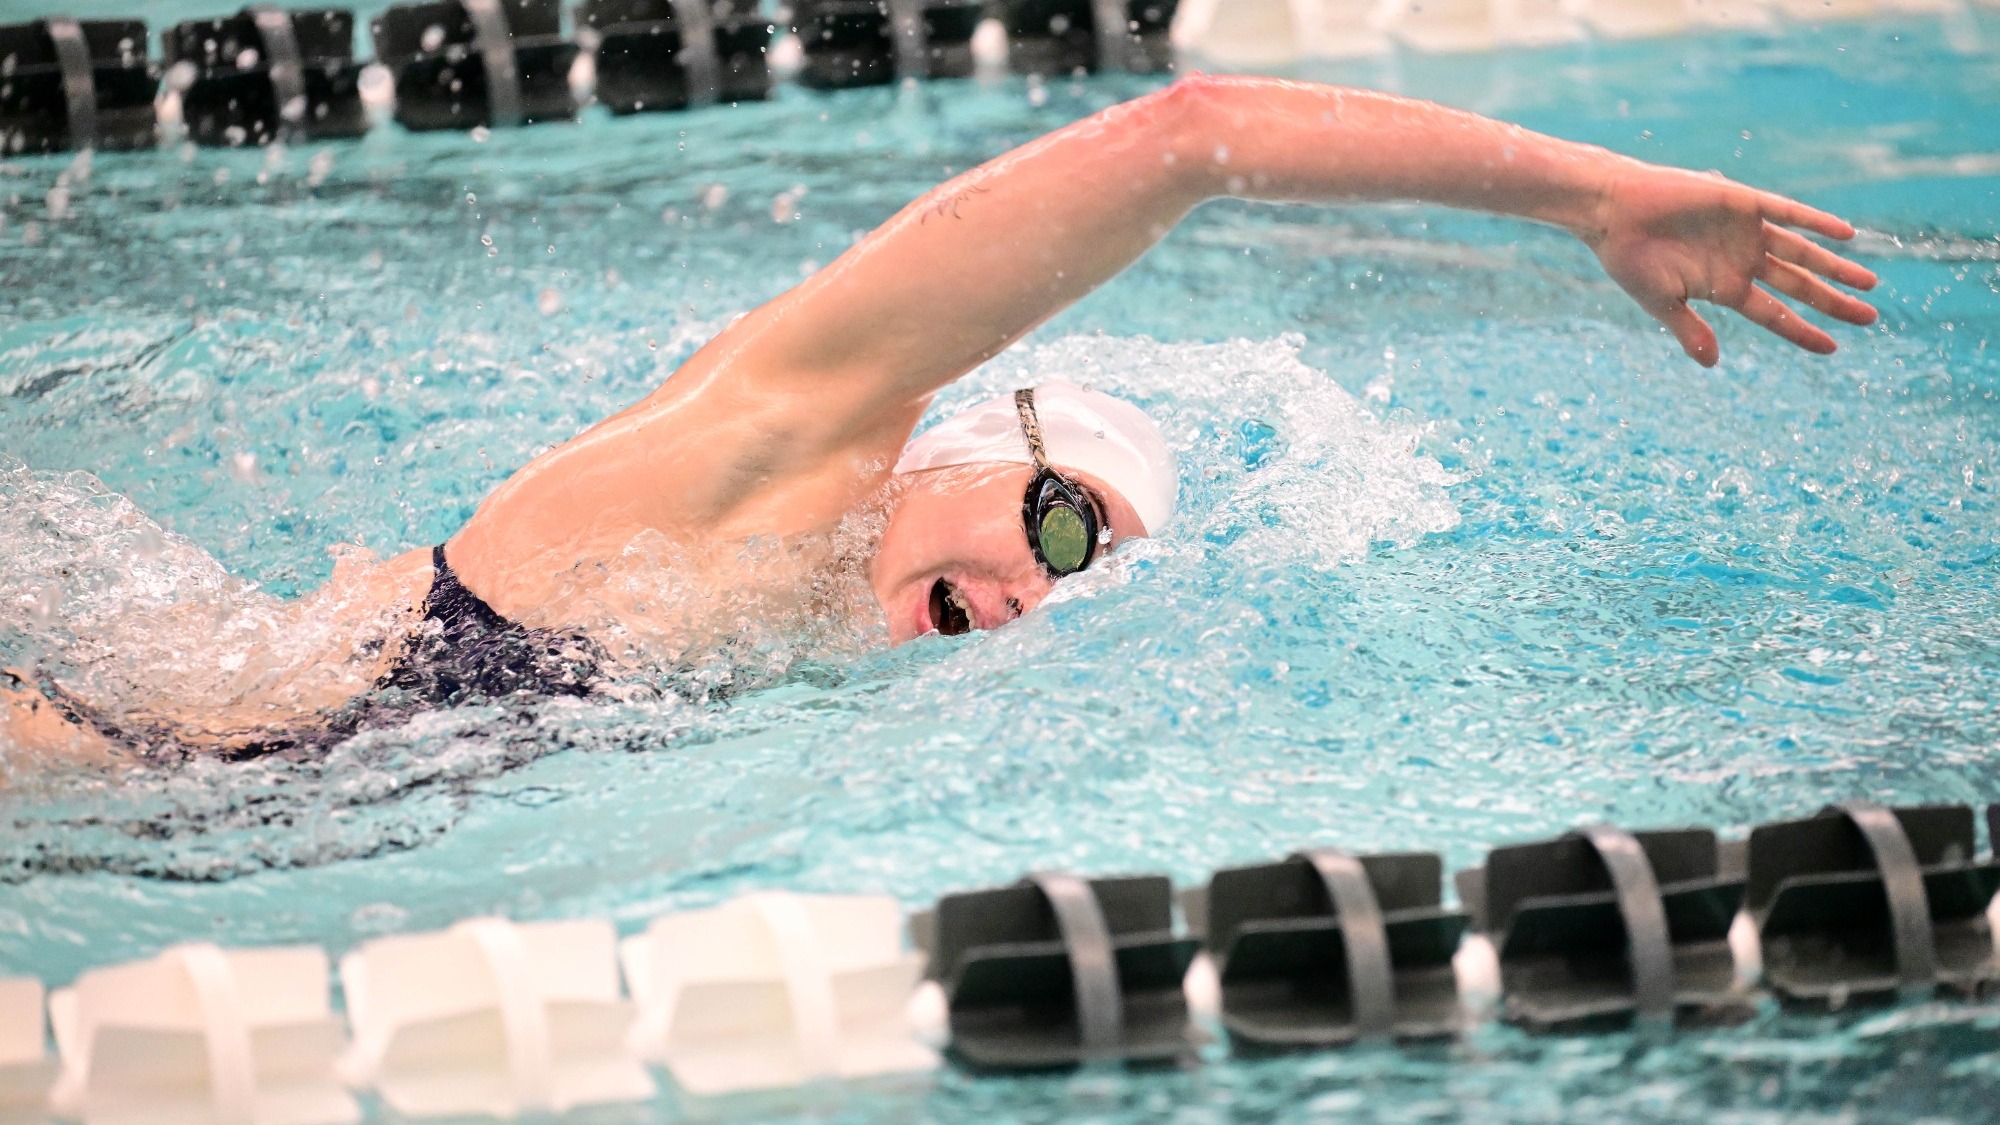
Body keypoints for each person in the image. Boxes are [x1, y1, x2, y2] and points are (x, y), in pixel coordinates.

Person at [0, 74, 1879, 767]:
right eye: (1066, 525)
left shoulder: (817, 627)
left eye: (1103, 577)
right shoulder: (798, 428)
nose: (1054, 591)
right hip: (132, 747)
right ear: (969, 451)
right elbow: (1185, 139)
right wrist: (1587, 196)